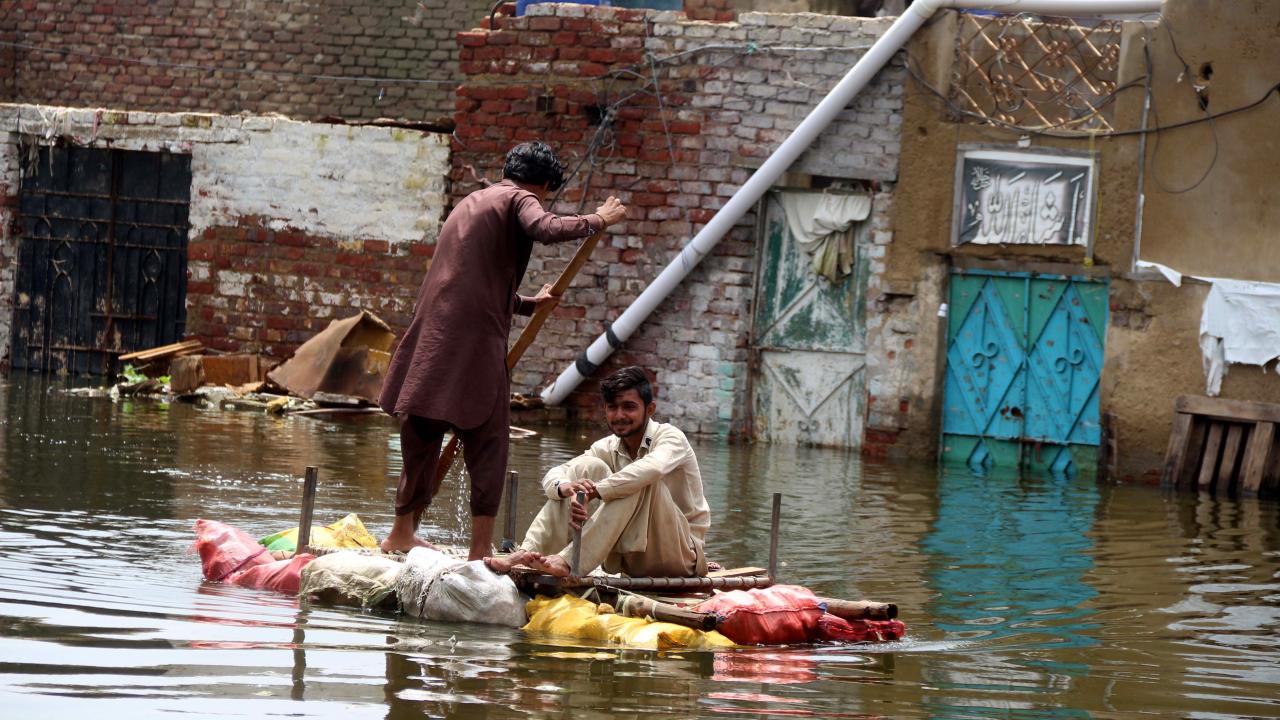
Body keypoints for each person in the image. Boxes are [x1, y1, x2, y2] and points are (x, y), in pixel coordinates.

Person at [378, 141, 627, 557]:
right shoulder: (519, 198)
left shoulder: (472, 202)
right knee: (488, 442)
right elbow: (544, 229)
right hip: (473, 344)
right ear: (545, 184)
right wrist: (596, 219)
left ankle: (400, 533)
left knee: (421, 435)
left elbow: (470, 284)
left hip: (433, 339)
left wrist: (528, 304)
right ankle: (480, 552)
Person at [487, 366, 711, 578]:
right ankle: (525, 554)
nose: (619, 415)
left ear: (649, 409)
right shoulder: (608, 446)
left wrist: (595, 492)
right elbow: (557, 472)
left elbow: (652, 468)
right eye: (612, 407)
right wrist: (567, 488)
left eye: (629, 407)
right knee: (587, 468)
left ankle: (567, 562)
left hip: (681, 555)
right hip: (631, 556)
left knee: (638, 478)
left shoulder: (671, 437)